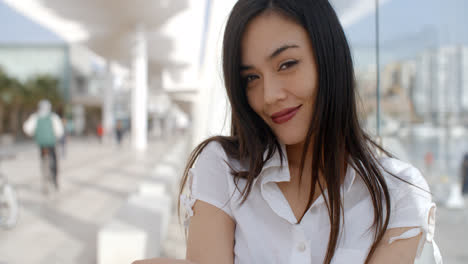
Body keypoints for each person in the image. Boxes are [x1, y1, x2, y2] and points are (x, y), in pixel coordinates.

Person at [133, 1, 441, 263]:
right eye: (251, 78)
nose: (268, 96)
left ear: (328, 58)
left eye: (286, 64)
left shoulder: (399, 193)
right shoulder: (223, 169)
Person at [23, 100, 64, 191]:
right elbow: (59, 130)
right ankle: (55, 180)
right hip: (51, 143)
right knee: (54, 160)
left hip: (41, 143)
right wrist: (57, 136)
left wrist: (33, 133)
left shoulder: (36, 116)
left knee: (43, 160)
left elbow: (27, 128)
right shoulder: (53, 117)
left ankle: (45, 180)